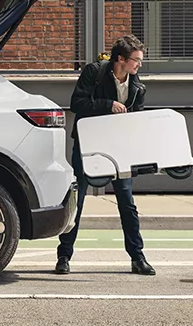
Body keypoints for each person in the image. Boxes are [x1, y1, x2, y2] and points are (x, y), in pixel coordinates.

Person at [54, 35, 154, 276]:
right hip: (89, 144)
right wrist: (107, 104)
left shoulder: (137, 86)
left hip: (118, 147)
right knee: (77, 200)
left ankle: (138, 258)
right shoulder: (95, 72)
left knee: (127, 202)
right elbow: (77, 103)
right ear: (120, 59)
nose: (139, 65)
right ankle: (64, 256)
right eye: (136, 60)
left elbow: (137, 119)